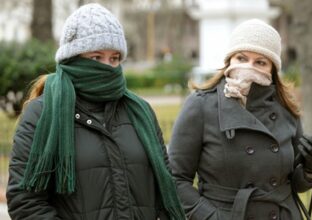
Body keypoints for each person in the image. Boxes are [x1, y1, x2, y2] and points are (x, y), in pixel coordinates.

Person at [6, 3, 185, 220]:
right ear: (72, 59)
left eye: (115, 58)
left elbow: (166, 187)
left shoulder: (141, 112)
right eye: (96, 57)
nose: (107, 67)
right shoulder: (41, 113)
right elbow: (25, 202)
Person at [168, 19, 312, 220]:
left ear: (272, 69)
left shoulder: (286, 108)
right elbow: (175, 180)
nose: (249, 67)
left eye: (260, 62)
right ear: (229, 61)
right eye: (242, 58)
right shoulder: (201, 106)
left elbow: (296, 184)